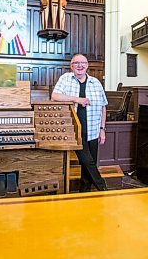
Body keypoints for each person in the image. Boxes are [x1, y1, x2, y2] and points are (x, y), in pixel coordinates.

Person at [52, 54, 108, 192]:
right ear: (72, 66)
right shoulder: (65, 79)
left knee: (89, 163)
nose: (80, 65)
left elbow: (103, 106)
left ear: (87, 65)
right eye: (76, 63)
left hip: (94, 129)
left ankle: (84, 192)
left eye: (83, 63)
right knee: (88, 161)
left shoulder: (96, 82)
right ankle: (103, 188)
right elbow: (55, 97)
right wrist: (77, 99)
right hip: (75, 129)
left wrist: (102, 128)